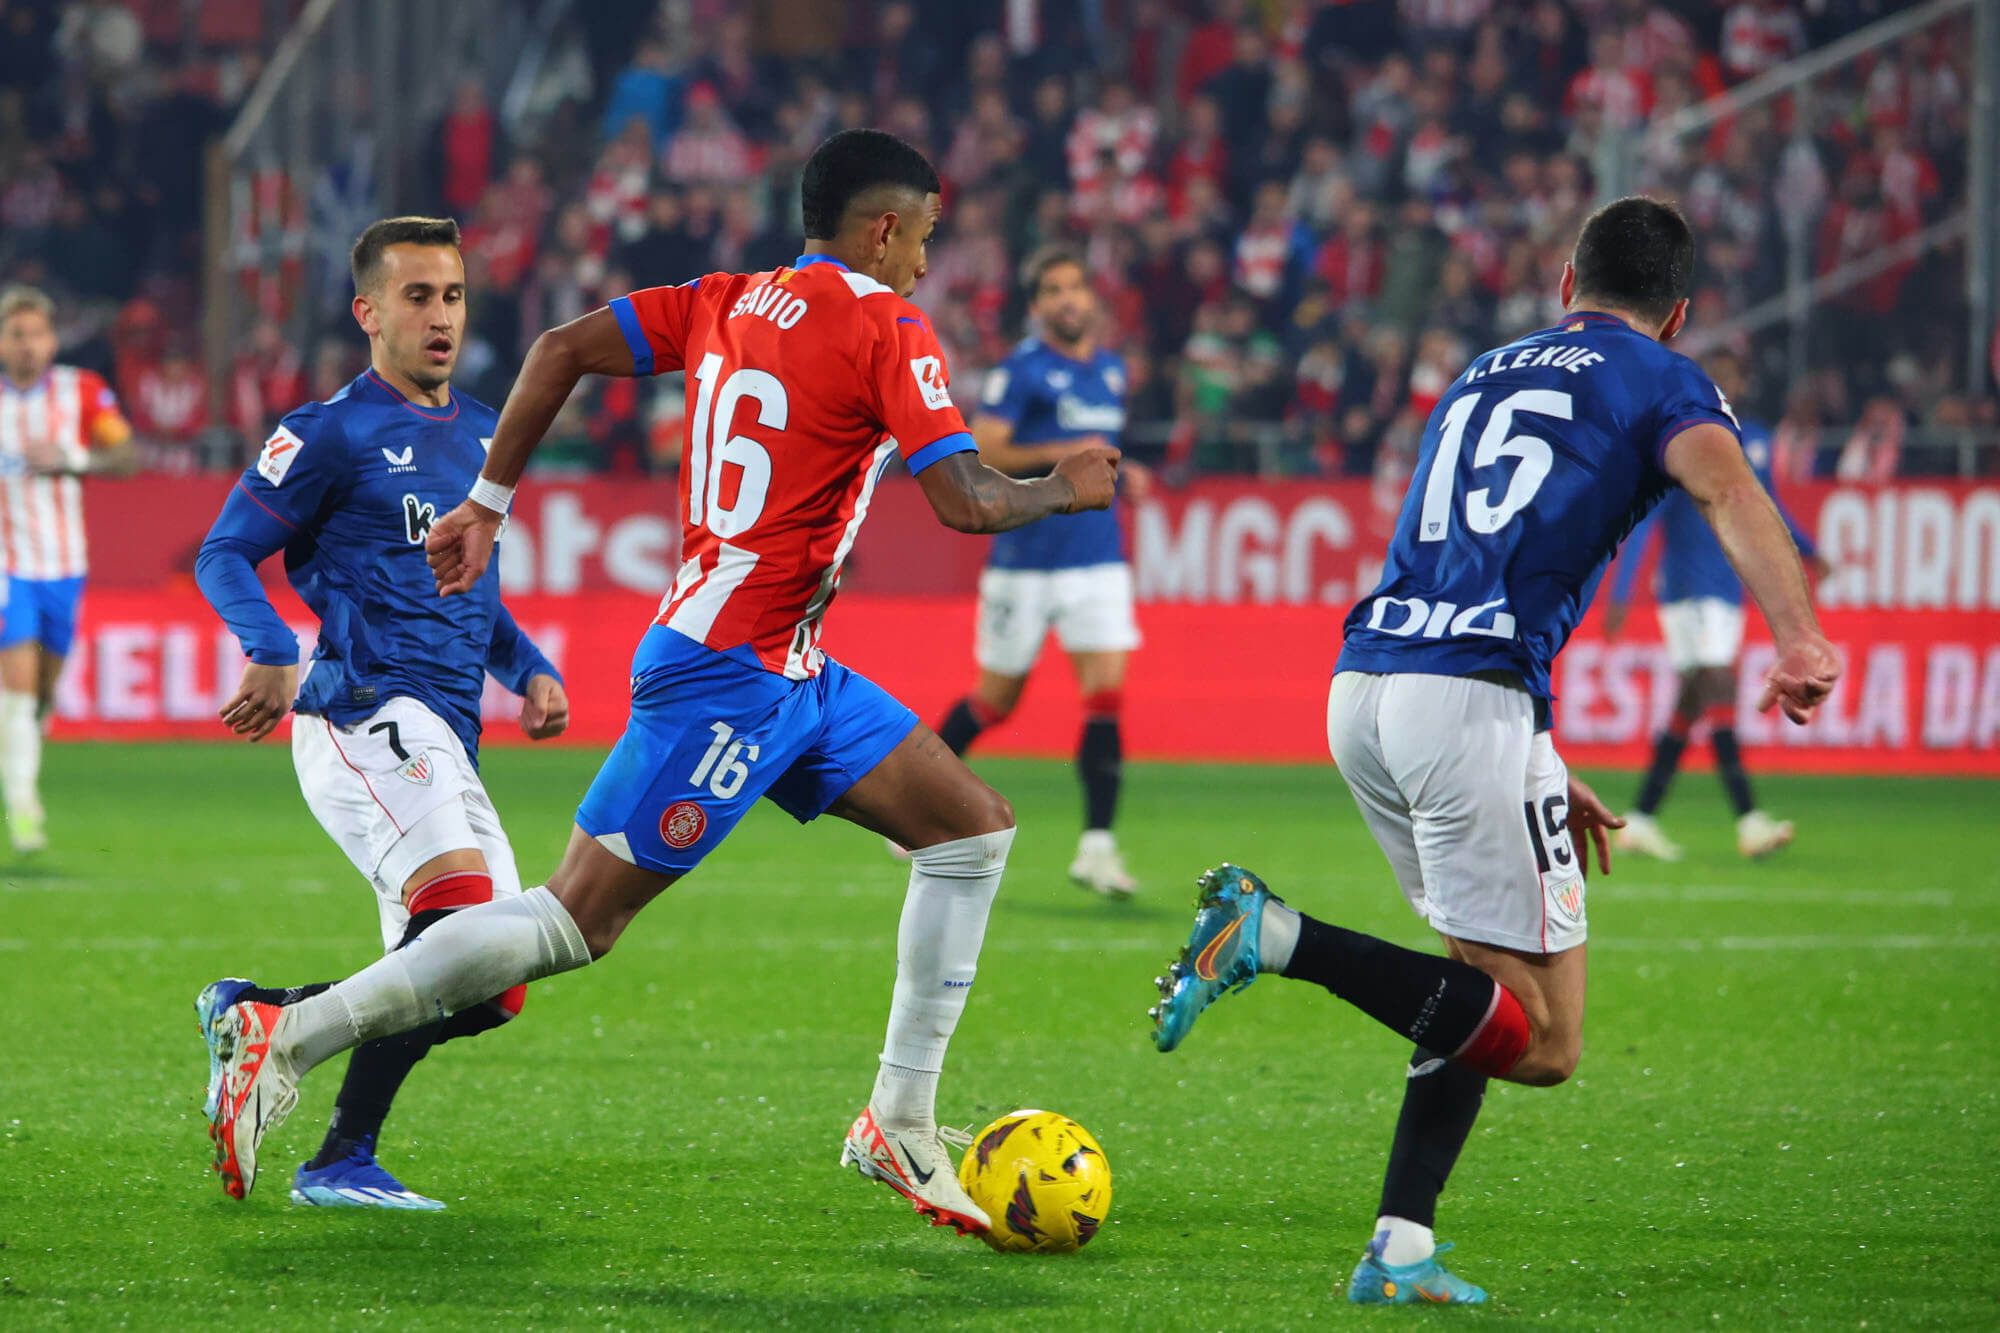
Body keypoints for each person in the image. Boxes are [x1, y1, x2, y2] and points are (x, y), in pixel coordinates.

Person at [196, 131, 1121, 1234]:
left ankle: (897, 1123)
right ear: (883, 228)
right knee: (567, 926)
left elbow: (556, 348)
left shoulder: (723, 299)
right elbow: (965, 500)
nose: (926, 260)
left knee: (970, 830)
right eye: (922, 235)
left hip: (791, 665)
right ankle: (285, 1034)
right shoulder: (888, 324)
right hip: (727, 679)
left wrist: (487, 501)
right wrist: (1061, 485)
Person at [1146, 199, 1840, 1304]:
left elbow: (1465, 551)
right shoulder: (1664, 380)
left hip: (1371, 684)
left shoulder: (1481, 369)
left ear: (1565, 282)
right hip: (1461, 704)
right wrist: (1798, 635)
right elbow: (1725, 485)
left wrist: (1534, 754)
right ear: (1676, 313)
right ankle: (1270, 935)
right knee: (1543, 1040)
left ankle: (1399, 1245)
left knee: (1476, 988)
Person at [192, 217, 569, 1209]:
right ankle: (280, 1053)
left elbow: (466, 585)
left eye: (450, 295)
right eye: (415, 297)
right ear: (368, 312)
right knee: (458, 919)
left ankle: (324, 1128)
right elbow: (224, 550)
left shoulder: (488, 431)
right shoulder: (330, 432)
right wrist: (270, 646)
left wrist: (527, 665)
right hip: (362, 708)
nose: (439, 316)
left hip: (447, 725)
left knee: (492, 982)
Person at [931, 246, 1147, 897]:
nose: (1068, 299)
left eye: (1076, 287)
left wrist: (1120, 470)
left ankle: (1097, 848)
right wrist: (1065, 455)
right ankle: (912, 803)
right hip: (1023, 563)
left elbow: (1097, 457)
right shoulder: (1021, 371)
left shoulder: (1110, 371)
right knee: (993, 701)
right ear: (1037, 306)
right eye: (1053, 290)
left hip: (1097, 560)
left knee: (1106, 697)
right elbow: (986, 442)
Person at [1605, 348, 1824, 860]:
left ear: (1742, 382)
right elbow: (1647, 520)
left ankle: (1639, 819)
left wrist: (1810, 552)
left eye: (1733, 375)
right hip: (1686, 589)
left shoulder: (1754, 441)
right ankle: (1748, 820)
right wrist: (1622, 592)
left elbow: (1767, 511)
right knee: (1716, 685)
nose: (1726, 383)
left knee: (1695, 699)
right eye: (1716, 375)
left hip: (1728, 589)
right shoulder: (1683, 436)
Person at [0, 284, 135, 853]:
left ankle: (25, 745)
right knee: (18, 681)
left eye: (35, 334)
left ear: (53, 340)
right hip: (7, 565)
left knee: (44, 689)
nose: (27, 345)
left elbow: (126, 456)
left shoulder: (83, 392)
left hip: (64, 563)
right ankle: (24, 807)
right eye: (15, 334)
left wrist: (75, 459)